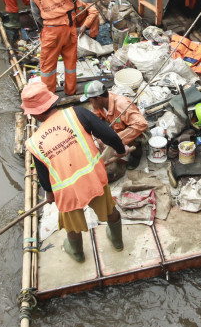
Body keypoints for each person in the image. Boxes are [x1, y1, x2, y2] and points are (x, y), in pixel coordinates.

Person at [23, 82, 126, 263]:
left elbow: (43, 176)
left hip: (66, 191)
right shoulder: (77, 114)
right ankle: (117, 242)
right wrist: (120, 149)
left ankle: (77, 253)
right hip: (93, 179)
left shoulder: (33, 142)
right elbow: (108, 135)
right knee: (110, 210)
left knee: (72, 226)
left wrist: (49, 194)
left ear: (37, 112)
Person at [27, 0, 110, 95]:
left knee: (47, 67)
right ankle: (70, 91)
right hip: (69, 28)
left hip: (51, 31)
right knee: (70, 63)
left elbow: (36, 16)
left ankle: (49, 95)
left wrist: (48, 25)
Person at [82, 81, 148, 174]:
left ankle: (136, 153)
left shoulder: (121, 104)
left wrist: (117, 141)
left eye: (90, 100)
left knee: (135, 140)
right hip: (118, 128)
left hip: (136, 132)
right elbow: (93, 119)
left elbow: (142, 124)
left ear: (98, 98)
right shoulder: (100, 105)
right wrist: (98, 139)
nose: (90, 102)